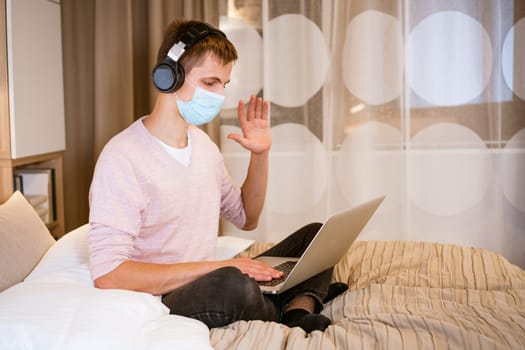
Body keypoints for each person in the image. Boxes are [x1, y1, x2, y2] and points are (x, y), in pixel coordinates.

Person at [88, 19, 346, 333]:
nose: (219, 94)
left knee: (317, 235)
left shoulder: (203, 146)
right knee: (232, 284)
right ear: (169, 77)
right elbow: (109, 274)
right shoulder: (122, 157)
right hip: (168, 295)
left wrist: (260, 155)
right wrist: (221, 266)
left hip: (213, 274)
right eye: (210, 83)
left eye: (224, 84)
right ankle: (298, 298)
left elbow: (246, 217)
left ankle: (295, 307)